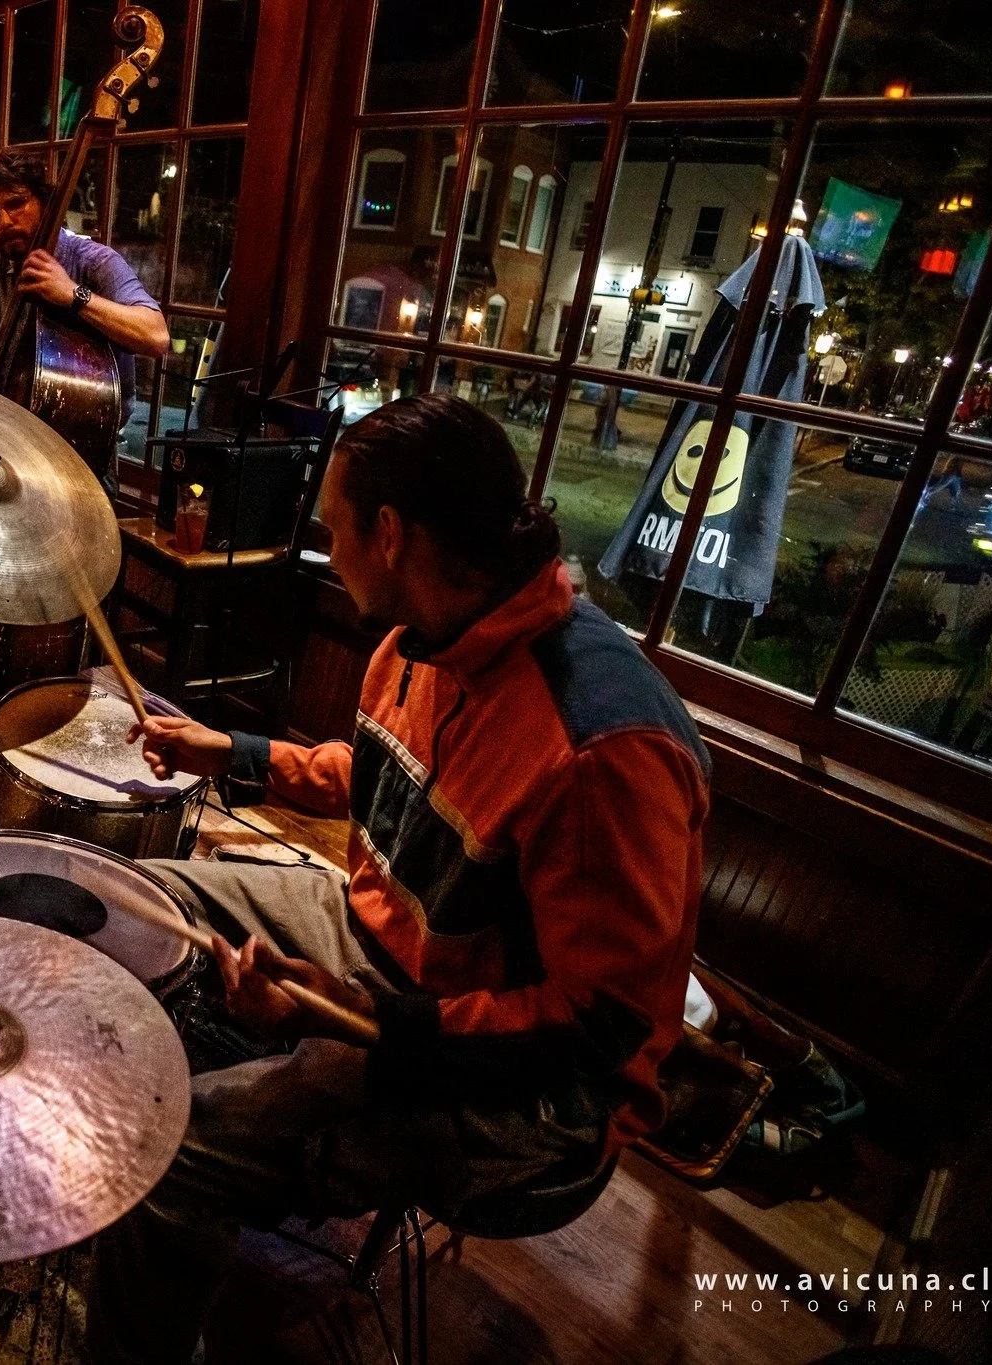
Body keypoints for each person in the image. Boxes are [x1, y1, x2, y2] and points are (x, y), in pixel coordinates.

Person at [91, 393, 711, 1364]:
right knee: (123, 896)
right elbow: (380, 770)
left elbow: (598, 1031)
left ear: (389, 534)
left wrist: (368, 1024)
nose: (322, 546)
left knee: (171, 1153)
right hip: (381, 949)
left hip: (517, 1095)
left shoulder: (600, 750)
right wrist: (231, 750)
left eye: (332, 529)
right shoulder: (421, 641)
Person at [0, 146, 170, 486]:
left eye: (16, 203)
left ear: (44, 202)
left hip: (80, 467)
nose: (5, 221)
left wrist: (73, 294)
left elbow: (156, 337)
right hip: (6, 452)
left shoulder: (93, 261)